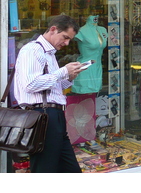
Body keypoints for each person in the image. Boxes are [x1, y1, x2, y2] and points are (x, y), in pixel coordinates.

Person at [13, 14, 86, 173]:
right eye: (65, 37)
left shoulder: (49, 54)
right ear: (53, 29)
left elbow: (52, 87)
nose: (66, 43)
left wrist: (69, 77)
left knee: (69, 169)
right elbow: (30, 84)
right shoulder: (33, 50)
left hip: (53, 116)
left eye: (69, 40)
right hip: (42, 115)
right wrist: (62, 72)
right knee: (46, 169)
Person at [72, 14, 108, 94]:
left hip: (97, 67)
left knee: (94, 95)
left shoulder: (102, 30)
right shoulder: (81, 31)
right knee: (84, 97)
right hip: (86, 68)